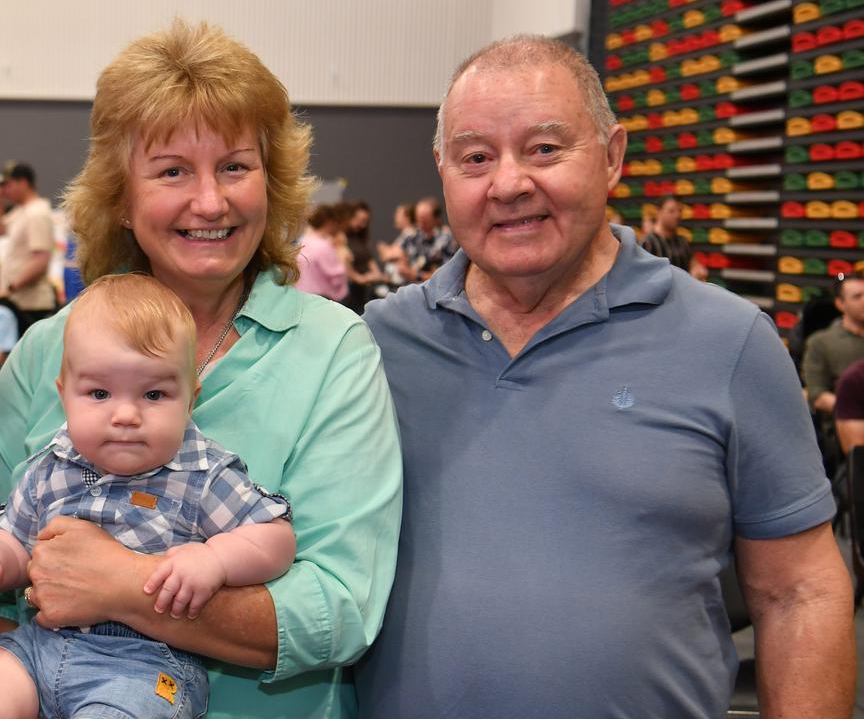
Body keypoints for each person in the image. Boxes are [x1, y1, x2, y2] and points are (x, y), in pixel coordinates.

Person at [358, 35, 854, 717]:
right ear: (443, 170)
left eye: (544, 149)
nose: (509, 184)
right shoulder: (376, 345)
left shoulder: (730, 342)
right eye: (476, 157)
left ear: (611, 157)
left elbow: (799, 591)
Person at [0, 21, 402, 719]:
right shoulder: (48, 351)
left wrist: (125, 586)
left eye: (234, 166)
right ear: (122, 199)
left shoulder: (332, 350)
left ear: (271, 181)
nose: (211, 201)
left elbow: (340, 609)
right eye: (171, 171)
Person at [0, 273, 296, 718]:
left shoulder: (201, 473)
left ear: (190, 400)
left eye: (154, 394)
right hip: (39, 646)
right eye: (100, 393)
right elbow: (15, 539)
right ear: (64, 396)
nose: (126, 414)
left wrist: (215, 560)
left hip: (144, 667)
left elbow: (275, 537)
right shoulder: (50, 468)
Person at [0, 161, 57, 331]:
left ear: (23, 183)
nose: (5, 190)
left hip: (31, 305)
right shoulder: (21, 211)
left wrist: (11, 288)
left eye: (8, 184)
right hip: (17, 302)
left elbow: (41, 261)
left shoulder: (36, 213)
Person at [803, 270, 864, 416]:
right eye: (857, 297)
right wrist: (854, 412)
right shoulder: (821, 343)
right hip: (845, 429)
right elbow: (817, 395)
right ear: (840, 304)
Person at [640, 196, 708, 280]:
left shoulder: (682, 242)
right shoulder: (648, 243)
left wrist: (698, 270)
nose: (677, 215)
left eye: (680, 211)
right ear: (659, 212)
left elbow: (693, 264)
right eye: (671, 211)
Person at [293, 204, 349, 301]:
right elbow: (336, 278)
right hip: (321, 299)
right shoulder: (324, 246)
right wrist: (343, 259)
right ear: (330, 222)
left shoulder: (302, 242)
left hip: (301, 297)